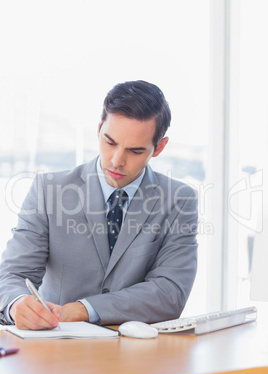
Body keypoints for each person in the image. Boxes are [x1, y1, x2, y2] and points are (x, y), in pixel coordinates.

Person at [0, 80, 198, 330]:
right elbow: (13, 275)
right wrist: (17, 304)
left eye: (135, 151)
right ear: (98, 129)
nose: (116, 161)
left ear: (159, 147)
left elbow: (170, 292)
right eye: (110, 142)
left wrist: (86, 309)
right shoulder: (49, 190)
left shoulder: (180, 200)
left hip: (136, 357)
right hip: (55, 348)